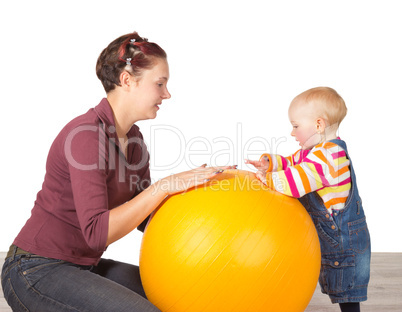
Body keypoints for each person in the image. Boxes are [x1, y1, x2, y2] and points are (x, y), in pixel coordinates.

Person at [1, 32, 232, 312]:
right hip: (35, 270)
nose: (167, 94)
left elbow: (146, 217)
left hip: (85, 266)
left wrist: (208, 198)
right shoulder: (86, 135)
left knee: (182, 297)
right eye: (160, 83)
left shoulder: (134, 141)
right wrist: (164, 186)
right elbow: (98, 233)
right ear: (127, 80)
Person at [246, 87, 370, 312]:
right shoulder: (315, 151)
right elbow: (293, 163)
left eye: (296, 126)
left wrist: (268, 179)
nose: (292, 133)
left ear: (319, 125)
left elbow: (298, 181)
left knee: (347, 295)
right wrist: (270, 163)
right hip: (328, 238)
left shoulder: (329, 157)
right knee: (339, 289)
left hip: (342, 242)